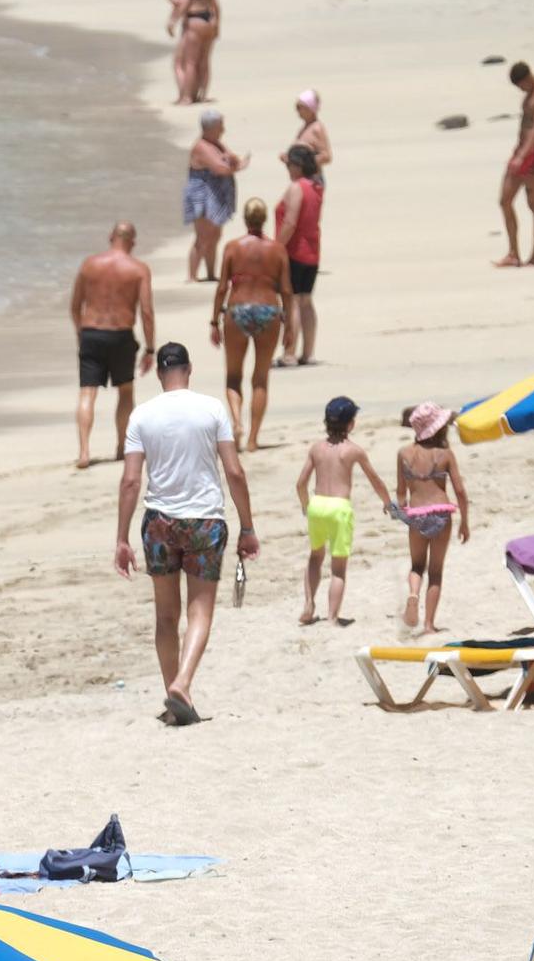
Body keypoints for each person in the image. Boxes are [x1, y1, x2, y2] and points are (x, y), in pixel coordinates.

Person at [113, 342, 258, 726]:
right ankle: (183, 682)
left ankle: (174, 693)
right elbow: (235, 472)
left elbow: (130, 480)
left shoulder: (142, 415)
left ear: (160, 373)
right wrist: (247, 526)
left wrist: (122, 537)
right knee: (200, 611)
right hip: (205, 522)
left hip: (159, 521)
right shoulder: (212, 408)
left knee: (165, 616)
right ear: (188, 370)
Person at [294, 396, 393, 625]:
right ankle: (332, 616)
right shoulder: (353, 451)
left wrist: (305, 505)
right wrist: (387, 502)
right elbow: (375, 480)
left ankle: (309, 604)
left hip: (317, 505)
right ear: (351, 424)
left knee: (315, 558)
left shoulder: (316, 449)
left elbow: (301, 483)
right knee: (338, 568)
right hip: (339, 508)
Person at [71, 222, 155, 469]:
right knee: (126, 391)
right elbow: (147, 312)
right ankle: (122, 447)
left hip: (91, 333)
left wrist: (81, 333)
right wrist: (150, 348)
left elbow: (75, 306)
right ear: (133, 242)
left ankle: (84, 452)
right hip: (120, 335)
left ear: (111, 237)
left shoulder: (89, 264)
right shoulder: (139, 269)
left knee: (88, 392)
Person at [210, 197, 288, 451]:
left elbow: (223, 287)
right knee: (261, 378)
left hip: (238, 310)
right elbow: (286, 290)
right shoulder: (277, 250)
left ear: (244, 218)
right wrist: (290, 324)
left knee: (233, 377)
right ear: (265, 219)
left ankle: (236, 423)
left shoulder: (233, 247)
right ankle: (254, 439)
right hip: (268, 309)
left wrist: (214, 320)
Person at [394, 401, 469, 632]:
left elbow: (400, 491)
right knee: (435, 572)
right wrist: (465, 522)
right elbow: (459, 491)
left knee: (417, 565)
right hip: (441, 512)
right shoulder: (445, 454)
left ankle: (414, 594)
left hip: (416, 513)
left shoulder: (404, 453)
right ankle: (428, 624)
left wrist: (403, 510)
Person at [497, 61, 534, 268]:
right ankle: (513, 253)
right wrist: (518, 152)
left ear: (527, 78)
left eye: (521, 85)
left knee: (533, 203)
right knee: (505, 200)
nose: (521, 90)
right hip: (521, 150)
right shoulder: (529, 95)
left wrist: (523, 155)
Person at [273, 145, 323, 369]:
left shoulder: (296, 188)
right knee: (305, 300)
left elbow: (290, 222)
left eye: (290, 165)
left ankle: (290, 353)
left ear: (298, 166)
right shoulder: (316, 186)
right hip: (312, 251)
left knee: (291, 302)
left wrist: (275, 247)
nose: (287, 169)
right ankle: (308, 352)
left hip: (294, 251)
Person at [183, 109, 245, 282]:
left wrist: (233, 162)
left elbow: (233, 160)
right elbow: (220, 168)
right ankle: (192, 275)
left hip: (216, 194)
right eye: (220, 126)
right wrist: (235, 165)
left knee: (215, 235)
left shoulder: (217, 143)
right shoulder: (201, 146)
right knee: (203, 236)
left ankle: (210, 274)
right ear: (210, 128)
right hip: (202, 195)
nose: (223, 130)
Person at [161, 0, 218, 106]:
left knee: (187, 62)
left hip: (194, 21)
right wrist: (217, 26)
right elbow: (215, 5)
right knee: (204, 61)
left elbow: (183, 4)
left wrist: (172, 21)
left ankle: (186, 97)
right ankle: (202, 95)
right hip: (210, 21)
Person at [288, 88, 332, 169]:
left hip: (312, 178)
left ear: (310, 109)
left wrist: (305, 163)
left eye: (300, 107)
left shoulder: (317, 128)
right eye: (297, 107)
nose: (297, 111)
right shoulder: (304, 128)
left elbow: (326, 156)